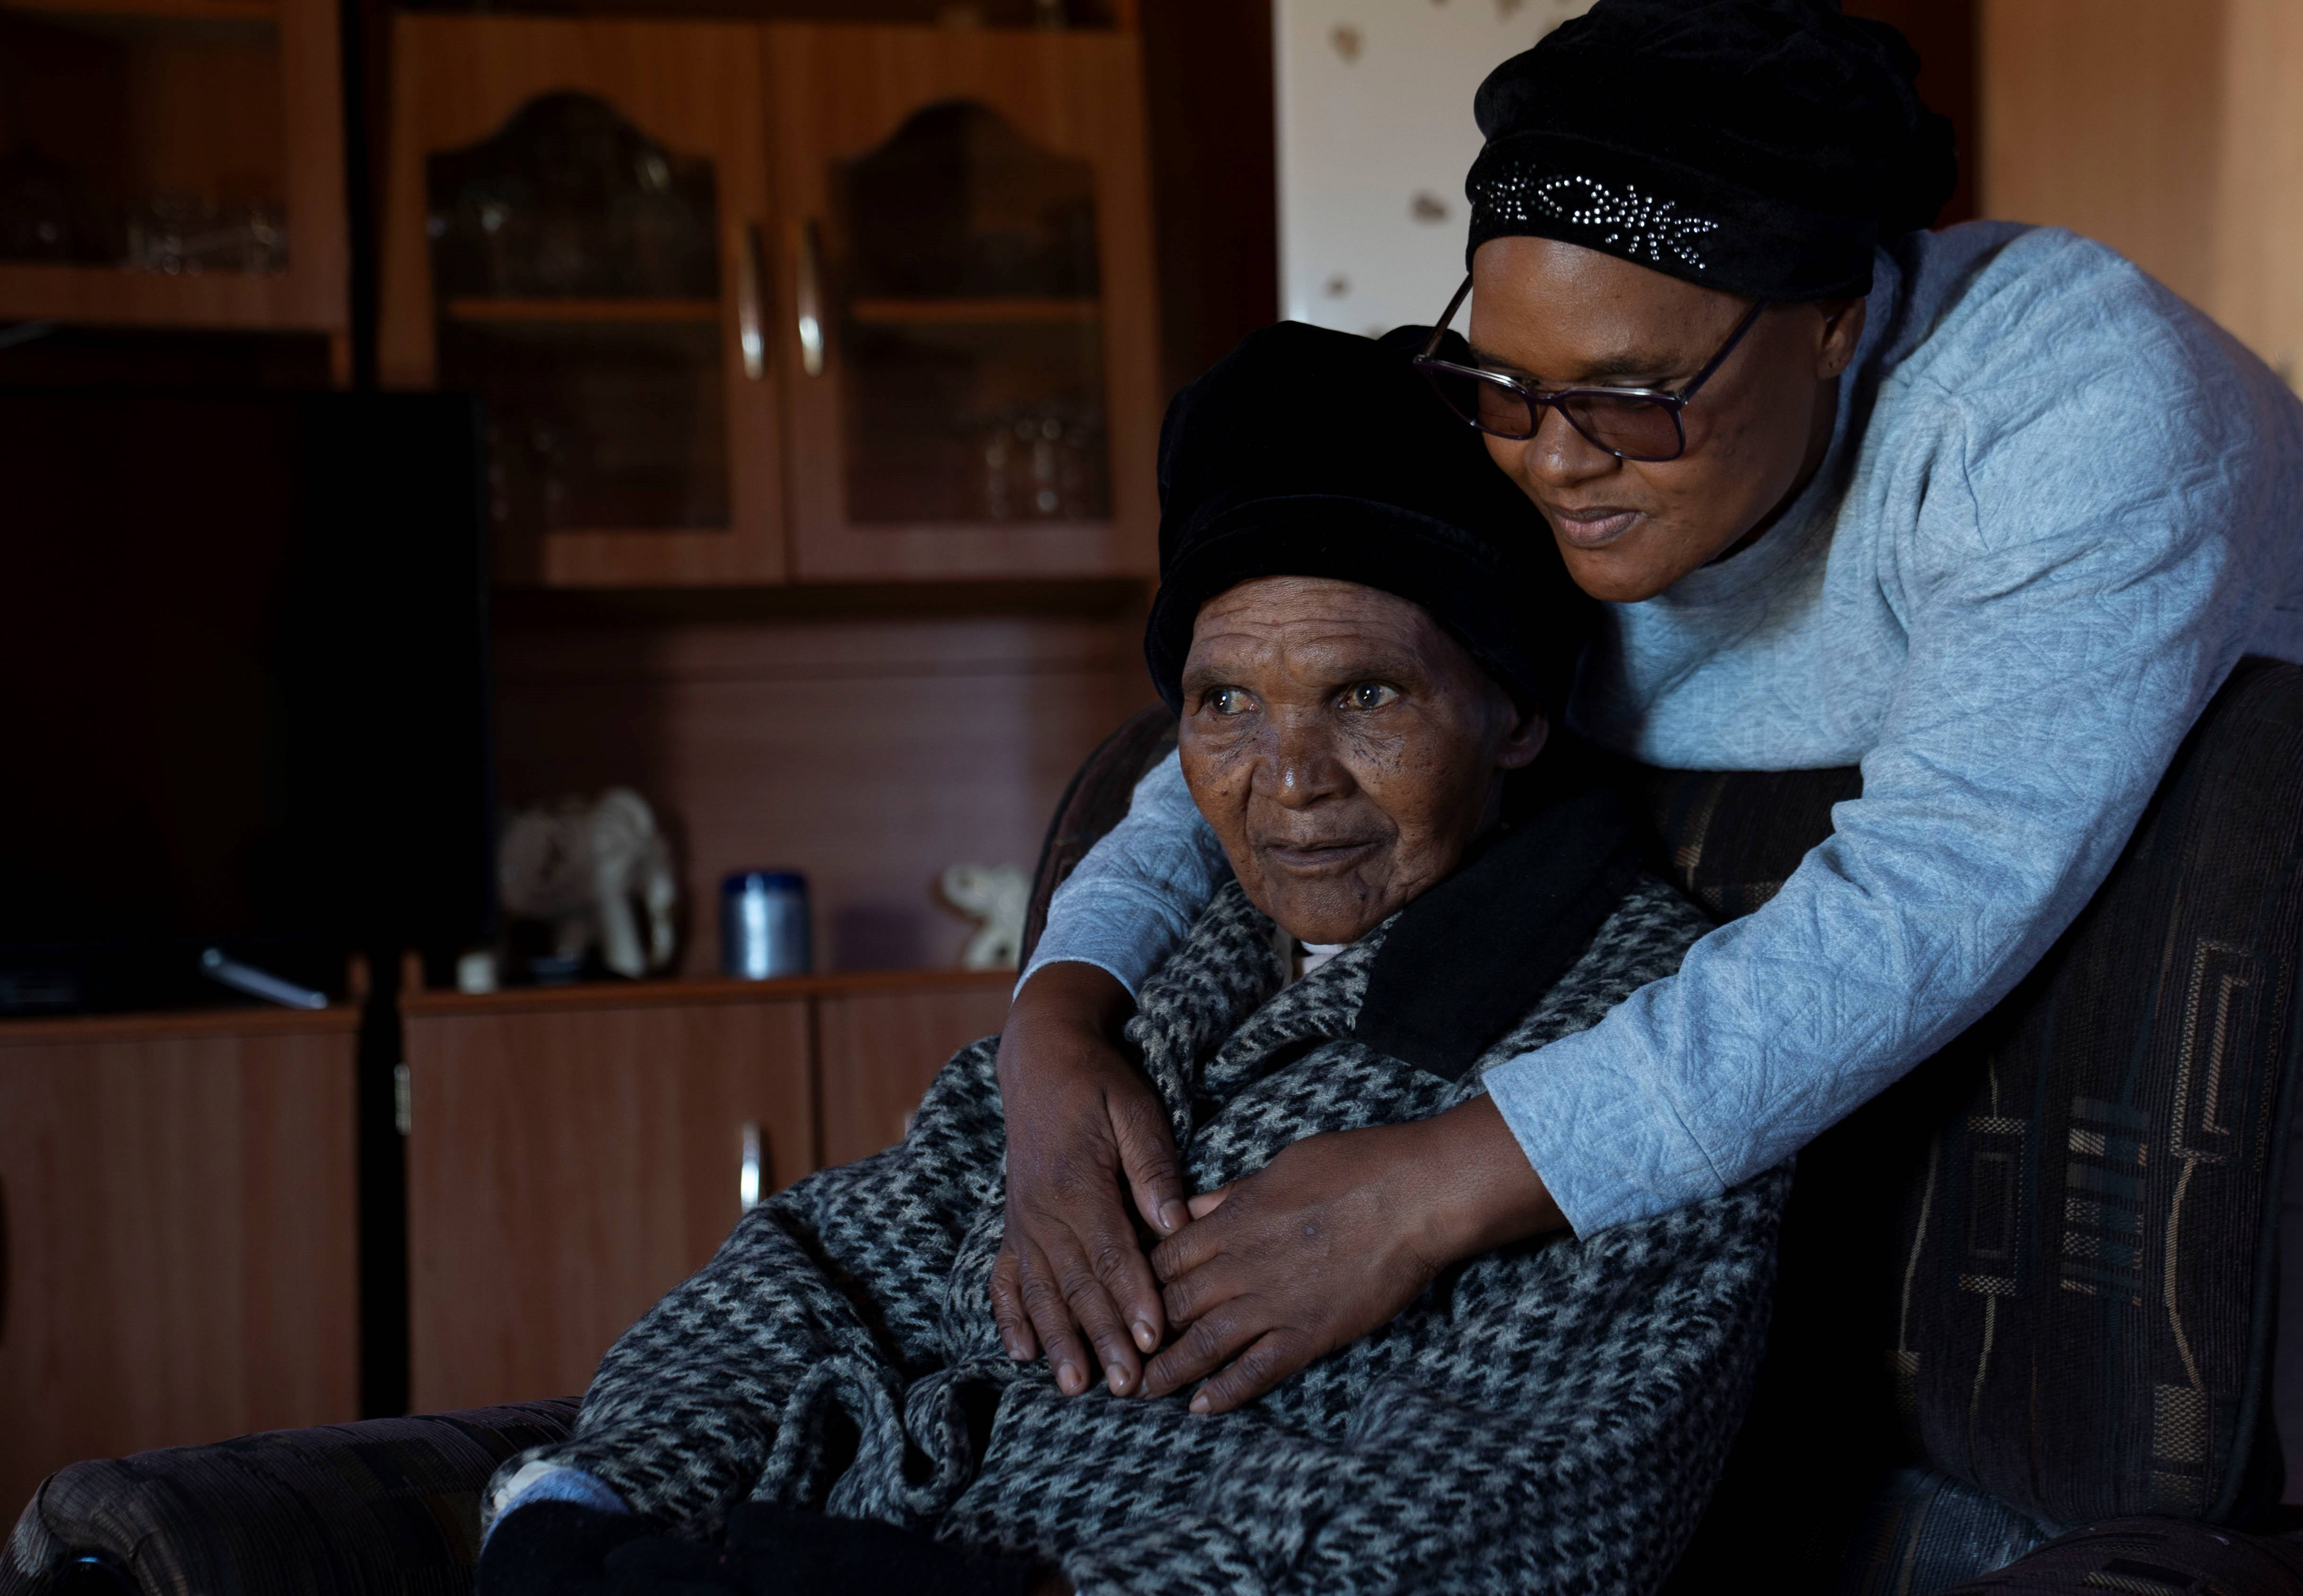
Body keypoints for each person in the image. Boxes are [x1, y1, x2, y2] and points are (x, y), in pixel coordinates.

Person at [996, 0, 2303, 1532]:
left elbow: (1935, 889)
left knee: (2240, 1506)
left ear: (1837, 323)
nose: (1557, 463)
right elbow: (1249, 724)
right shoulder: (1517, 404)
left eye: (1633, 398)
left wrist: (1425, 1189)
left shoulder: (2066, 412)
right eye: (1510, 382)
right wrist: (1057, 1030)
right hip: (1937, 931)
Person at [471, 322, 1788, 1596]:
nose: (1287, 786)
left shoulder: (1650, 1061)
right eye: (1227, 704)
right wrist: (594, 1503)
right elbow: (826, 1259)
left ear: (1513, 715)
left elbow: (1509, 1511)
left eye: (1366, 697)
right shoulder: (1175, 969)